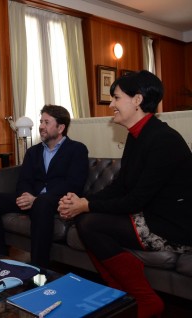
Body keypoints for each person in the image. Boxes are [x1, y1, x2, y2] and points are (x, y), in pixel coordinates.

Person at [58, 70, 192, 318]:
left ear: (137, 100)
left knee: (90, 222)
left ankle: (143, 298)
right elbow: (120, 186)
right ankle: (120, 295)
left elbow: (136, 200)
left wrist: (86, 207)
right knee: (85, 220)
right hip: (151, 215)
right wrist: (84, 201)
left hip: (171, 226)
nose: (111, 105)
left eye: (117, 98)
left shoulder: (163, 140)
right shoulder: (137, 136)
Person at [0, 105, 89, 267]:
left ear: (61, 128)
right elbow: (24, 180)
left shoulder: (77, 150)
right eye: (41, 122)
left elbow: (74, 185)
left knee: (42, 203)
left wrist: (37, 199)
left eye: (46, 122)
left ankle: (39, 268)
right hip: (33, 199)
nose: (41, 126)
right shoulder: (33, 152)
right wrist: (26, 196)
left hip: (56, 201)